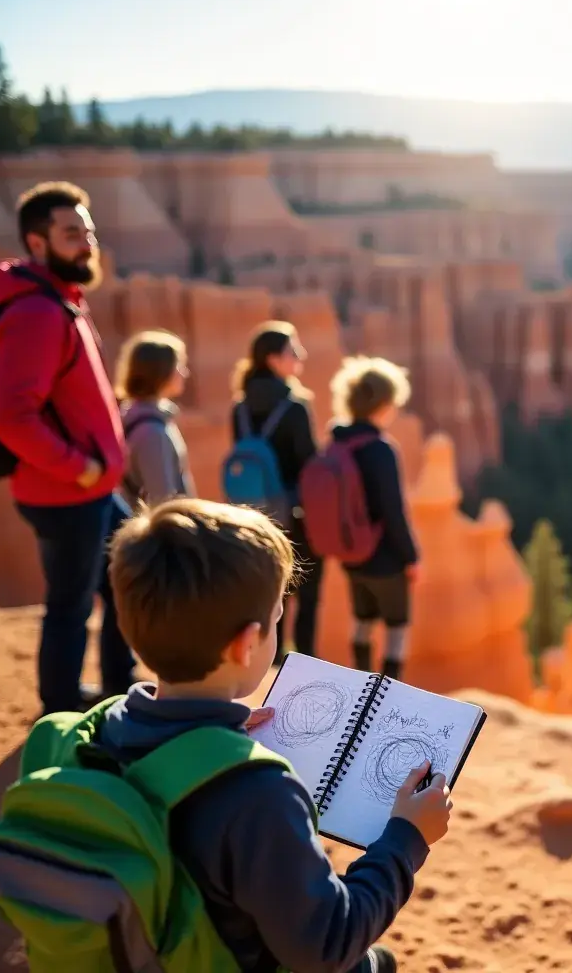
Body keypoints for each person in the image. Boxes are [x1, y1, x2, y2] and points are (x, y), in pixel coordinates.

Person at [95, 497, 451, 972]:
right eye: (277, 617)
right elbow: (327, 944)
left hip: (142, 944)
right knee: (368, 964)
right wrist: (406, 838)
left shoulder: (105, 729)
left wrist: (209, 737)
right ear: (246, 644)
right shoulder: (258, 795)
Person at [0, 181, 134, 715]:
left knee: (126, 580)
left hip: (87, 489)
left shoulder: (60, 298)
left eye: (88, 232)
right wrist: (79, 468)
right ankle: (60, 710)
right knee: (71, 606)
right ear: (37, 242)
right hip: (66, 492)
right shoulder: (37, 312)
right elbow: (10, 415)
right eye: (72, 233)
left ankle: (119, 689)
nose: (87, 244)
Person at [230, 321, 323, 657]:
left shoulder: (240, 408)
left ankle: (270, 658)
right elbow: (309, 466)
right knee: (308, 593)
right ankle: (305, 664)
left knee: (272, 592)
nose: (301, 356)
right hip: (295, 513)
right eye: (293, 351)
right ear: (272, 359)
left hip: (254, 516)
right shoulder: (294, 407)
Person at [328, 356, 419, 682]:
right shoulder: (381, 449)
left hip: (352, 556)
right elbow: (393, 511)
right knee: (397, 626)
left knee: (362, 620)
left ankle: (360, 684)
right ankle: (389, 690)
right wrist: (411, 556)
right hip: (386, 558)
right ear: (383, 403)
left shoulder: (338, 442)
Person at [115, 329, 196, 508]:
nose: (185, 373)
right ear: (161, 372)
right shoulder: (151, 432)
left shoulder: (147, 418)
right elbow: (163, 500)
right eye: (179, 366)